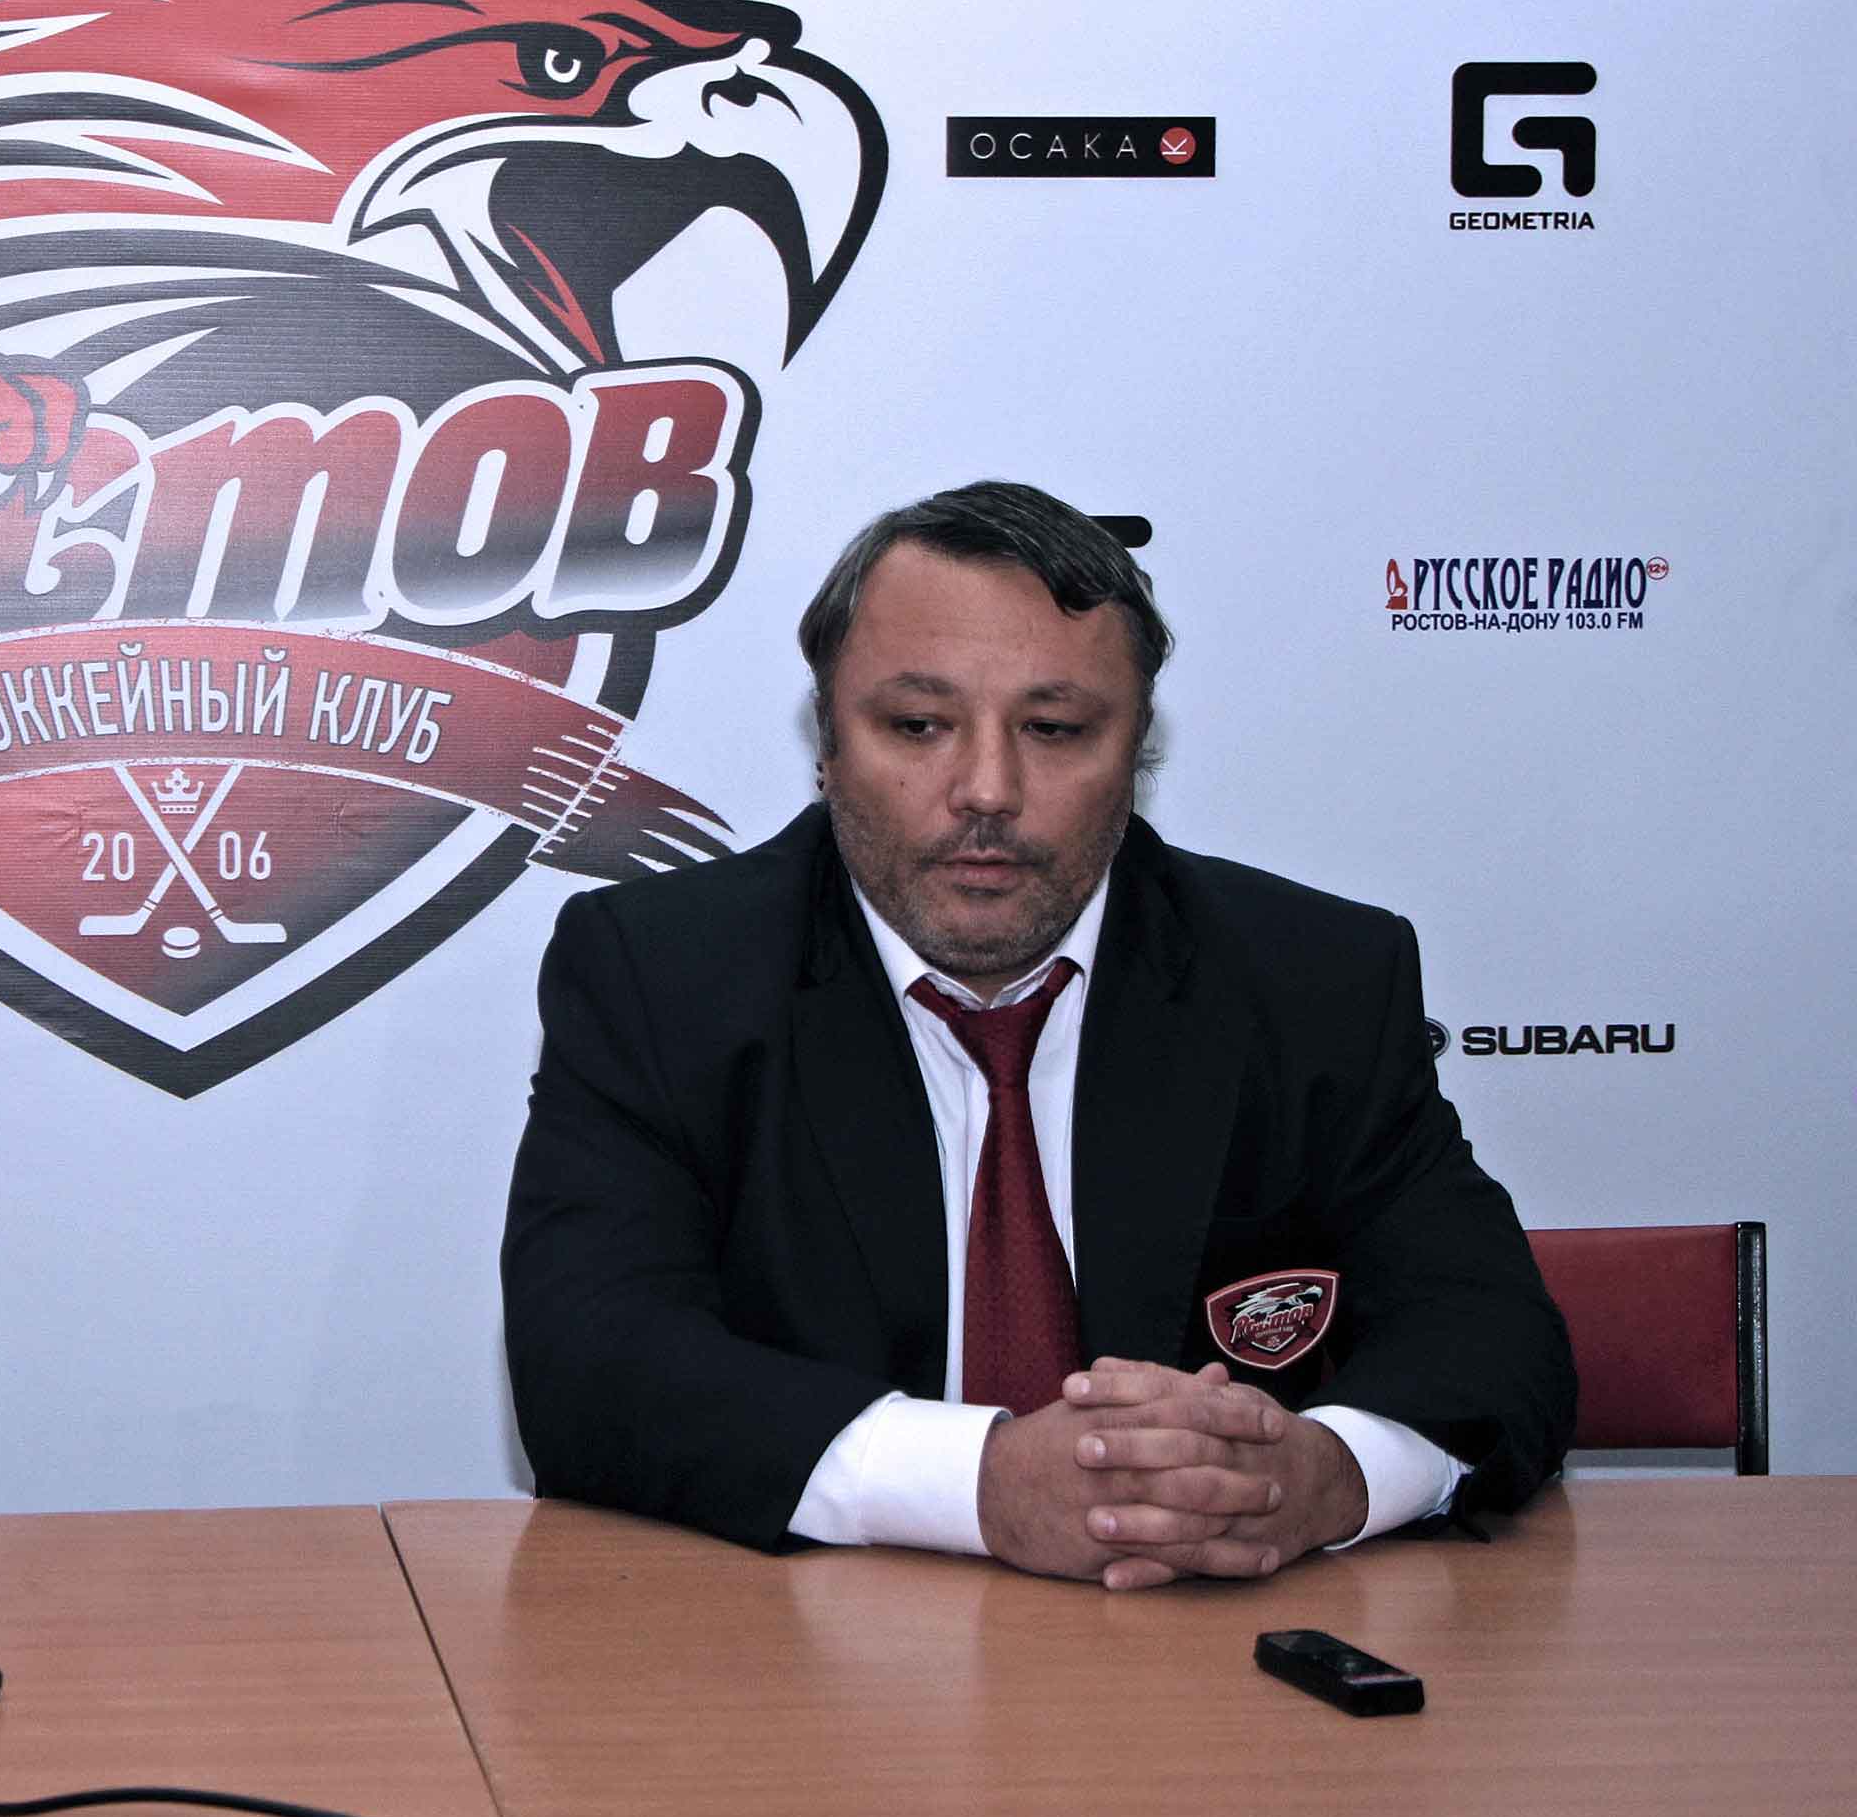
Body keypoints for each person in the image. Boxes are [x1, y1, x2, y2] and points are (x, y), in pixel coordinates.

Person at [501, 480, 1573, 1587]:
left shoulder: (1314, 981)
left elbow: (1495, 1333)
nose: (988, 790)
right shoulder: (662, 975)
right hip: (808, 1645)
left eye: (1054, 729)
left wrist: (1324, 1476)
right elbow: (589, 1363)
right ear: (828, 745)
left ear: (1138, 751)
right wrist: (981, 1481)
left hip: (1205, 1643)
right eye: (918, 725)